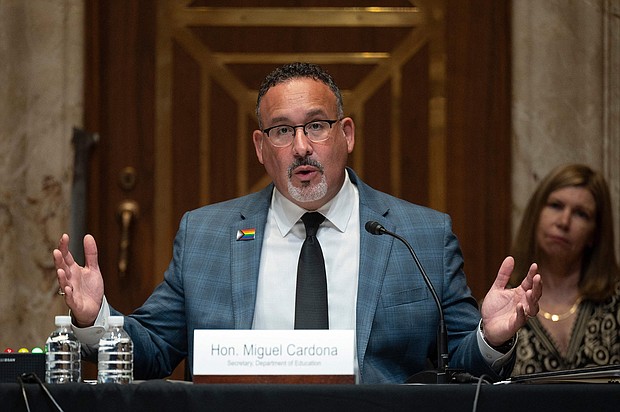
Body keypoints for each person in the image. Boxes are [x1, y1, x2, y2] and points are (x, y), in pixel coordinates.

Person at [54, 62, 541, 384]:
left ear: (345, 134)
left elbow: (462, 364)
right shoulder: (206, 235)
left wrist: (490, 337)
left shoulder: (419, 235)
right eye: (282, 131)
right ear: (261, 148)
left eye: (316, 125)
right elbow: (156, 349)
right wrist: (95, 318)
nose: (302, 146)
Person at [510, 164, 620, 375]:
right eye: (556, 205)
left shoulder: (614, 301)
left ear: (594, 234)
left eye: (581, 214)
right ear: (536, 214)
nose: (564, 221)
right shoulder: (505, 305)